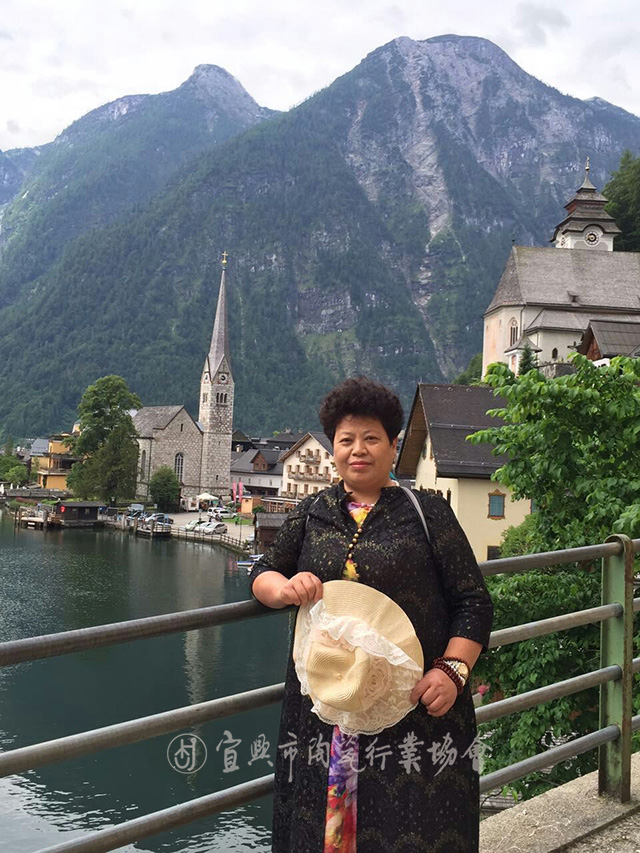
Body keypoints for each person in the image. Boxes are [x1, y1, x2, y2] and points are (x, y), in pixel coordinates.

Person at [250, 376, 494, 853]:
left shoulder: (427, 513)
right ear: (334, 449)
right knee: (322, 828)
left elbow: (473, 601)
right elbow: (264, 571)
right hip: (326, 705)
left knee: (410, 828)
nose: (358, 450)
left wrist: (452, 670)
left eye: (371, 438)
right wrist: (283, 589)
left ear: (393, 445)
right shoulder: (312, 512)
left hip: (414, 709)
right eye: (346, 440)